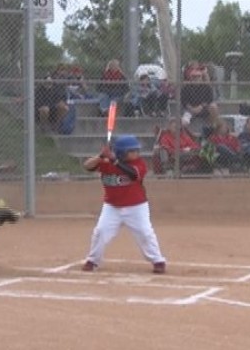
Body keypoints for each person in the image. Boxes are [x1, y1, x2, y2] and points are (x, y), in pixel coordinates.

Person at [81, 135, 167, 274]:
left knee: (145, 233)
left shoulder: (139, 163)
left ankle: (158, 261)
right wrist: (100, 156)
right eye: (132, 151)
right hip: (112, 207)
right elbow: (87, 166)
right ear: (121, 152)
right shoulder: (106, 162)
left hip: (136, 207)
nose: (136, 153)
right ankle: (92, 260)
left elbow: (133, 174)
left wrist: (114, 161)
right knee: (100, 231)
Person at [181, 62, 219, 127]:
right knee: (184, 122)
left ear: (201, 77)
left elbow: (209, 99)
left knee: (213, 106)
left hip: (203, 108)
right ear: (191, 78)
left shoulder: (206, 86)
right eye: (194, 77)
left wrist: (200, 107)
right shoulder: (186, 87)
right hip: (190, 110)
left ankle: (213, 129)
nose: (196, 78)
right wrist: (192, 109)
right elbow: (184, 101)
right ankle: (188, 136)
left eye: (198, 76)